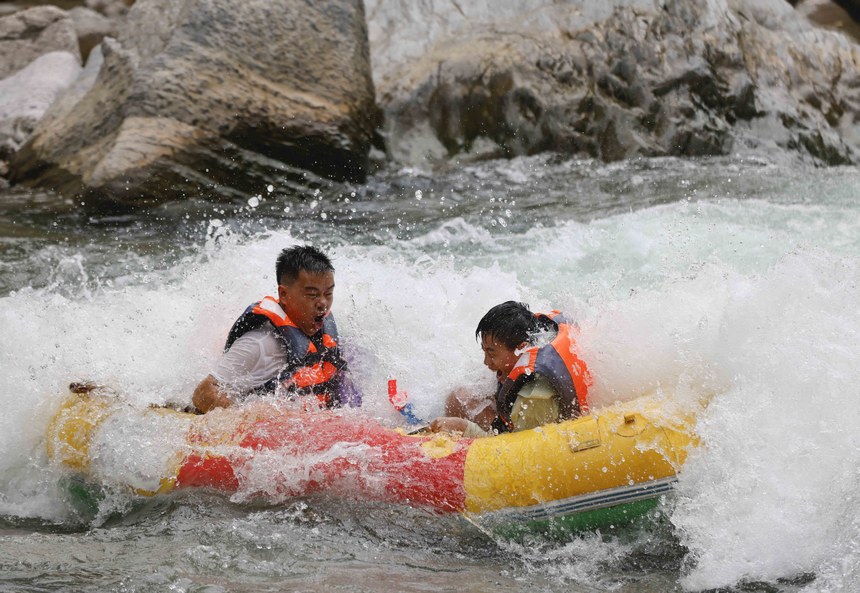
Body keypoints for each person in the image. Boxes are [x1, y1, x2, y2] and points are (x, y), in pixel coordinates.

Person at [192, 245, 360, 413]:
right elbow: (203, 393)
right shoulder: (258, 344)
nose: (323, 303)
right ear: (284, 294)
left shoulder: (327, 334)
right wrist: (250, 416)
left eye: (328, 293)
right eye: (312, 295)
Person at [430, 301, 590, 437]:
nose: (486, 362)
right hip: (520, 411)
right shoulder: (533, 340)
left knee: (459, 414)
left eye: (491, 353)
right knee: (458, 397)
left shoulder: (535, 397)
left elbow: (520, 453)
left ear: (521, 348)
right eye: (484, 351)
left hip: (526, 435)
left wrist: (464, 428)